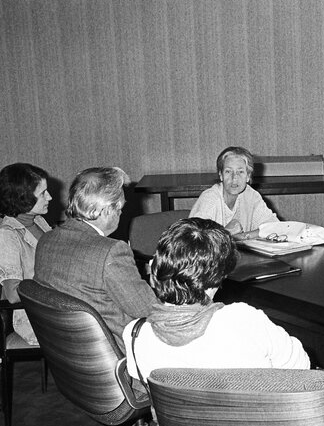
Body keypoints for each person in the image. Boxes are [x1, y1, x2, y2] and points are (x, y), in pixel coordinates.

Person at [123, 218, 309, 382]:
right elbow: (301, 367)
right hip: (253, 420)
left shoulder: (134, 335)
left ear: (154, 271)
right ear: (217, 279)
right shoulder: (244, 320)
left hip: (180, 422)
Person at [34, 167, 157, 353]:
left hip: (70, 358)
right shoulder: (111, 251)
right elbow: (149, 310)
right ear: (106, 210)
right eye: (120, 208)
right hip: (119, 357)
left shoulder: (47, 240)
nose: (121, 214)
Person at [0, 163, 53, 345]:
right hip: (35, 318)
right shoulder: (7, 235)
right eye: (42, 193)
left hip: (54, 308)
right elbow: (13, 294)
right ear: (22, 198)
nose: (50, 197)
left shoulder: (39, 221)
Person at [189, 146, 278, 238]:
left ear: (248, 176)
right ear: (221, 175)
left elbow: (275, 228)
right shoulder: (210, 199)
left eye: (240, 172)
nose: (234, 178)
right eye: (228, 171)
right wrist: (226, 232)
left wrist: (241, 237)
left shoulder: (251, 196)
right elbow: (194, 239)